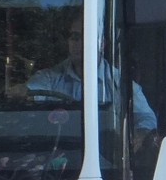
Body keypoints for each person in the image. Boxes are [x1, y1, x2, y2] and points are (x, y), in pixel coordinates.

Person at [23, 16, 157, 134]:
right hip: (58, 152)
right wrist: (20, 91)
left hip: (105, 155)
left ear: (102, 44)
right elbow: (28, 92)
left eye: (87, 36)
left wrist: (139, 136)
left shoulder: (119, 83)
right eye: (75, 37)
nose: (80, 44)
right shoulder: (50, 77)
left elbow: (147, 119)